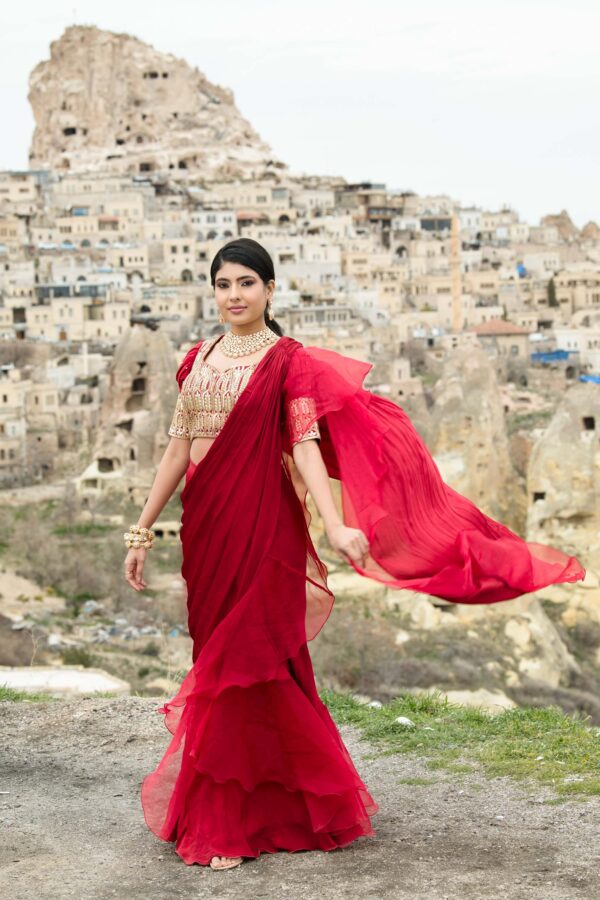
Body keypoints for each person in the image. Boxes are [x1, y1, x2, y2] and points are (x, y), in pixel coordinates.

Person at [125, 237, 585, 871]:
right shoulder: (195, 360)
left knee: (247, 658)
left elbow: (306, 444)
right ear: (213, 290)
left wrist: (337, 527)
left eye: (246, 284)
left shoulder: (289, 363)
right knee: (216, 654)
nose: (234, 295)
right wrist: (142, 530)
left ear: (269, 290)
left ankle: (227, 822)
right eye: (224, 284)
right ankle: (270, 807)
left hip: (265, 525)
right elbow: (178, 449)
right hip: (206, 527)